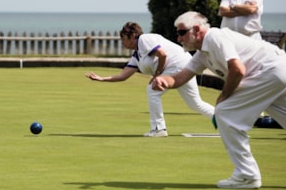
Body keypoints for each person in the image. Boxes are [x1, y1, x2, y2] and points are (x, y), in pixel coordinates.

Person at [152, 11, 286, 189]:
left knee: (224, 112)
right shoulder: (202, 54)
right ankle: (246, 174)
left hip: (271, 73)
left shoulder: (214, 37)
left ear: (196, 29)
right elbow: (180, 78)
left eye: (181, 33)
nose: (179, 39)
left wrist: (223, 96)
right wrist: (164, 80)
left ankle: (247, 175)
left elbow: (237, 70)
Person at [85, 22, 214, 137]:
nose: (122, 42)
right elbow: (123, 76)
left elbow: (163, 55)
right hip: (184, 65)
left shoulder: (144, 39)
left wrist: (157, 75)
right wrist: (101, 79)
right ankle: (225, 119)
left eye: (123, 38)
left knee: (153, 90)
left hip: (178, 64)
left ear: (133, 36)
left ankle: (159, 129)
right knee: (195, 103)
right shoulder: (137, 55)